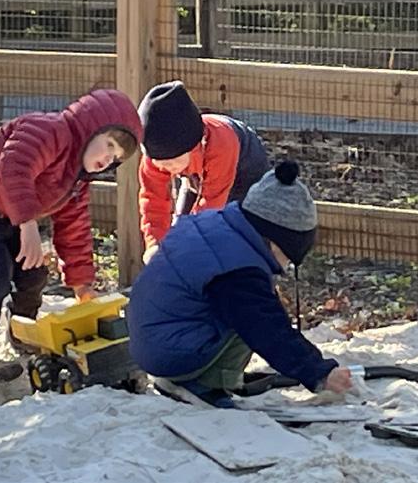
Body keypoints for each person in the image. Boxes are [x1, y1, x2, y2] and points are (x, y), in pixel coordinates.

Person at [0, 89, 143, 384]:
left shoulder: (76, 181)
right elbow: (13, 169)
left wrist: (82, 286)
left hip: (3, 214)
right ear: (90, 128)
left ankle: (23, 334)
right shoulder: (49, 130)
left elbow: (74, 231)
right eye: (109, 145)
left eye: (115, 157)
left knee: (33, 273)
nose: (107, 159)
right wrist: (27, 222)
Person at [127, 161, 353, 408]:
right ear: (276, 241)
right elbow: (268, 330)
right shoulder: (237, 270)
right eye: (289, 257)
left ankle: (199, 374)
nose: (285, 266)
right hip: (171, 354)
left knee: (250, 307)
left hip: (152, 336)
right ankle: (202, 384)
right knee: (250, 317)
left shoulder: (217, 226)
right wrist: (319, 372)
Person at [138, 80, 270, 264]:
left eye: (171, 162)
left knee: (239, 237)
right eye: (160, 164)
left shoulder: (221, 146)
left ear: (191, 147)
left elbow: (210, 208)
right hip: (196, 174)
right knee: (180, 227)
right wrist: (155, 244)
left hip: (245, 171)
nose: (166, 168)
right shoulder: (155, 157)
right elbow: (153, 200)